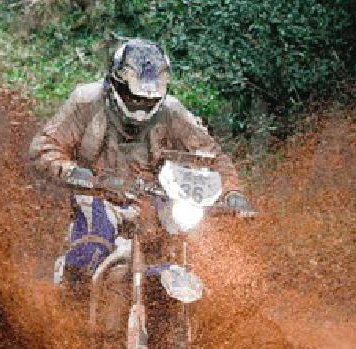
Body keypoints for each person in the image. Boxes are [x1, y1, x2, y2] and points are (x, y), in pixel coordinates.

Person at [29, 38, 253, 285]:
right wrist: (73, 171)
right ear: (117, 84)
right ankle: (67, 309)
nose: (140, 107)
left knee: (191, 255)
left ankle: (182, 309)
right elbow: (45, 145)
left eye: (147, 101)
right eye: (135, 98)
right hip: (98, 195)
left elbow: (213, 158)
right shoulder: (86, 102)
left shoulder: (172, 112)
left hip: (154, 202)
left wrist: (232, 192)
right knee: (92, 248)